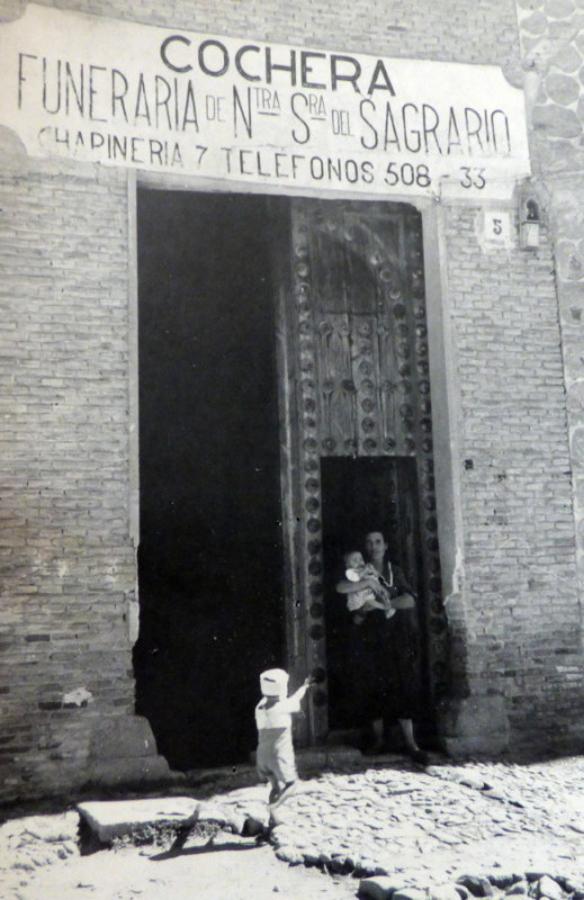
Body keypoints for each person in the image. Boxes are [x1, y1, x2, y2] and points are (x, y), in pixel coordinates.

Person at [336, 530, 428, 764]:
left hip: (397, 637)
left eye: (378, 541)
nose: (374, 546)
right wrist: (364, 604)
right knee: (373, 688)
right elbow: (344, 593)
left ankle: (411, 743)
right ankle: (378, 741)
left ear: (385, 545)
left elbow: (410, 600)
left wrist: (382, 605)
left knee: (403, 687)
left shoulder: (393, 571)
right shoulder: (358, 571)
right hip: (371, 639)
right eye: (369, 542)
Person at [255, 668, 315, 808]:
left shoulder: (259, 707)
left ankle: (272, 819)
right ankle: (273, 809)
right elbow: (295, 699)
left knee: (275, 787)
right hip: (278, 755)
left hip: (262, 756)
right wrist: (305, 686)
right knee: (292, 785)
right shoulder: (284, 706)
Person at [343, 550, 395, 622]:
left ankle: (387, 608)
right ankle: (384, 607)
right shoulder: (350, 572)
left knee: (382, 595)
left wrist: (373, 571)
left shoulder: (365, 568)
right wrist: (365, 571)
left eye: (361, 559)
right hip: (359, 597)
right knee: (368, 601)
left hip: (370, 591)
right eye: (355, 560)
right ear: (347, 565)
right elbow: (356, 578)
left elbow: (377, 576)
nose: (359, 562)